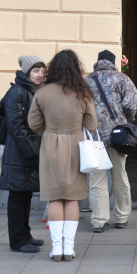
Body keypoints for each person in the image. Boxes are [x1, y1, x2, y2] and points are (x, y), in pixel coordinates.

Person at [28, 50, 98, 262]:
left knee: (55, 196)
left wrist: (49, 133)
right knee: (73, 197)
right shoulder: (83, 93)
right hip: (76, 144)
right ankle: (69, 248)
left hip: (51, 144)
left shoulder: (43, 92)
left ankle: (56, 248)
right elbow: (92, 124)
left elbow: (33, 123)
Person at [85, 50, 137, 233]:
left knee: (97, 179)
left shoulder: (86, 81)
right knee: (120, 176)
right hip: (118, 137)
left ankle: (99, 220)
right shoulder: (122, 78)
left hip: (93, 137)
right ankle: (122, 216)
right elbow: (132, 104)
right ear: (113, 62)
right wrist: (126, 120)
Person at [0, 55, 46, 253]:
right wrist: (32, 155)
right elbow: (16, 127)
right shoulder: (16, 92)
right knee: (17, 197)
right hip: (19, 153)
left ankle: (25, 235)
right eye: (36, 70)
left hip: (27, 152)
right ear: (27, 72)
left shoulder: (32, 91)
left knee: (25, 195)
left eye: (42, 71)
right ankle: (17, 241)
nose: (40, 74)